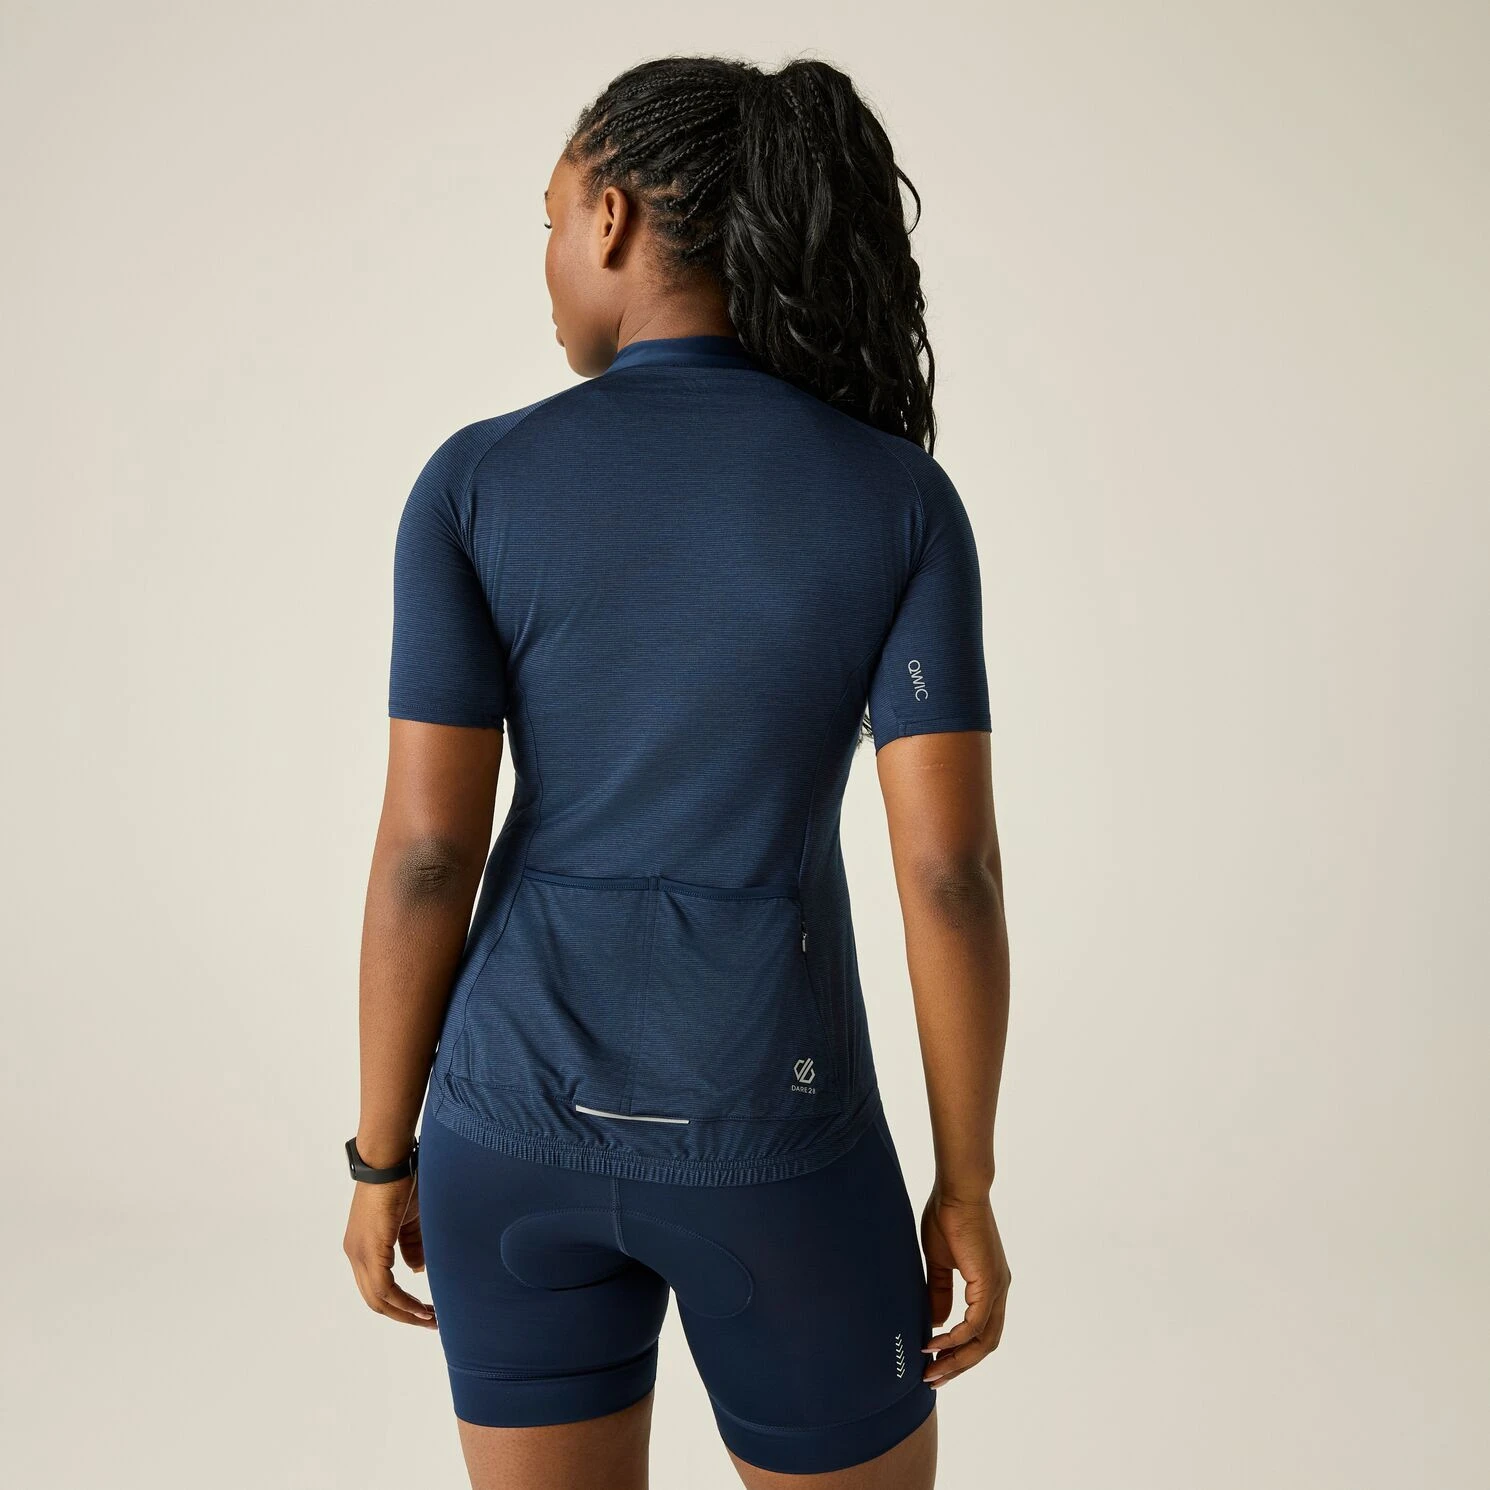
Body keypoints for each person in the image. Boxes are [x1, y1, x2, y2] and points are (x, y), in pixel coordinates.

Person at [342, 54, 1012, 1490]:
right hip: (780, 1141)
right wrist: (964, 1182)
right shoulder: (895, 497)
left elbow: (425, 855)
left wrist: (381, 1156)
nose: (545, 260)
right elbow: (949, 873)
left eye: (548, 220)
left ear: (612, 217)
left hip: (504, 1134)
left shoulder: (473, 482)